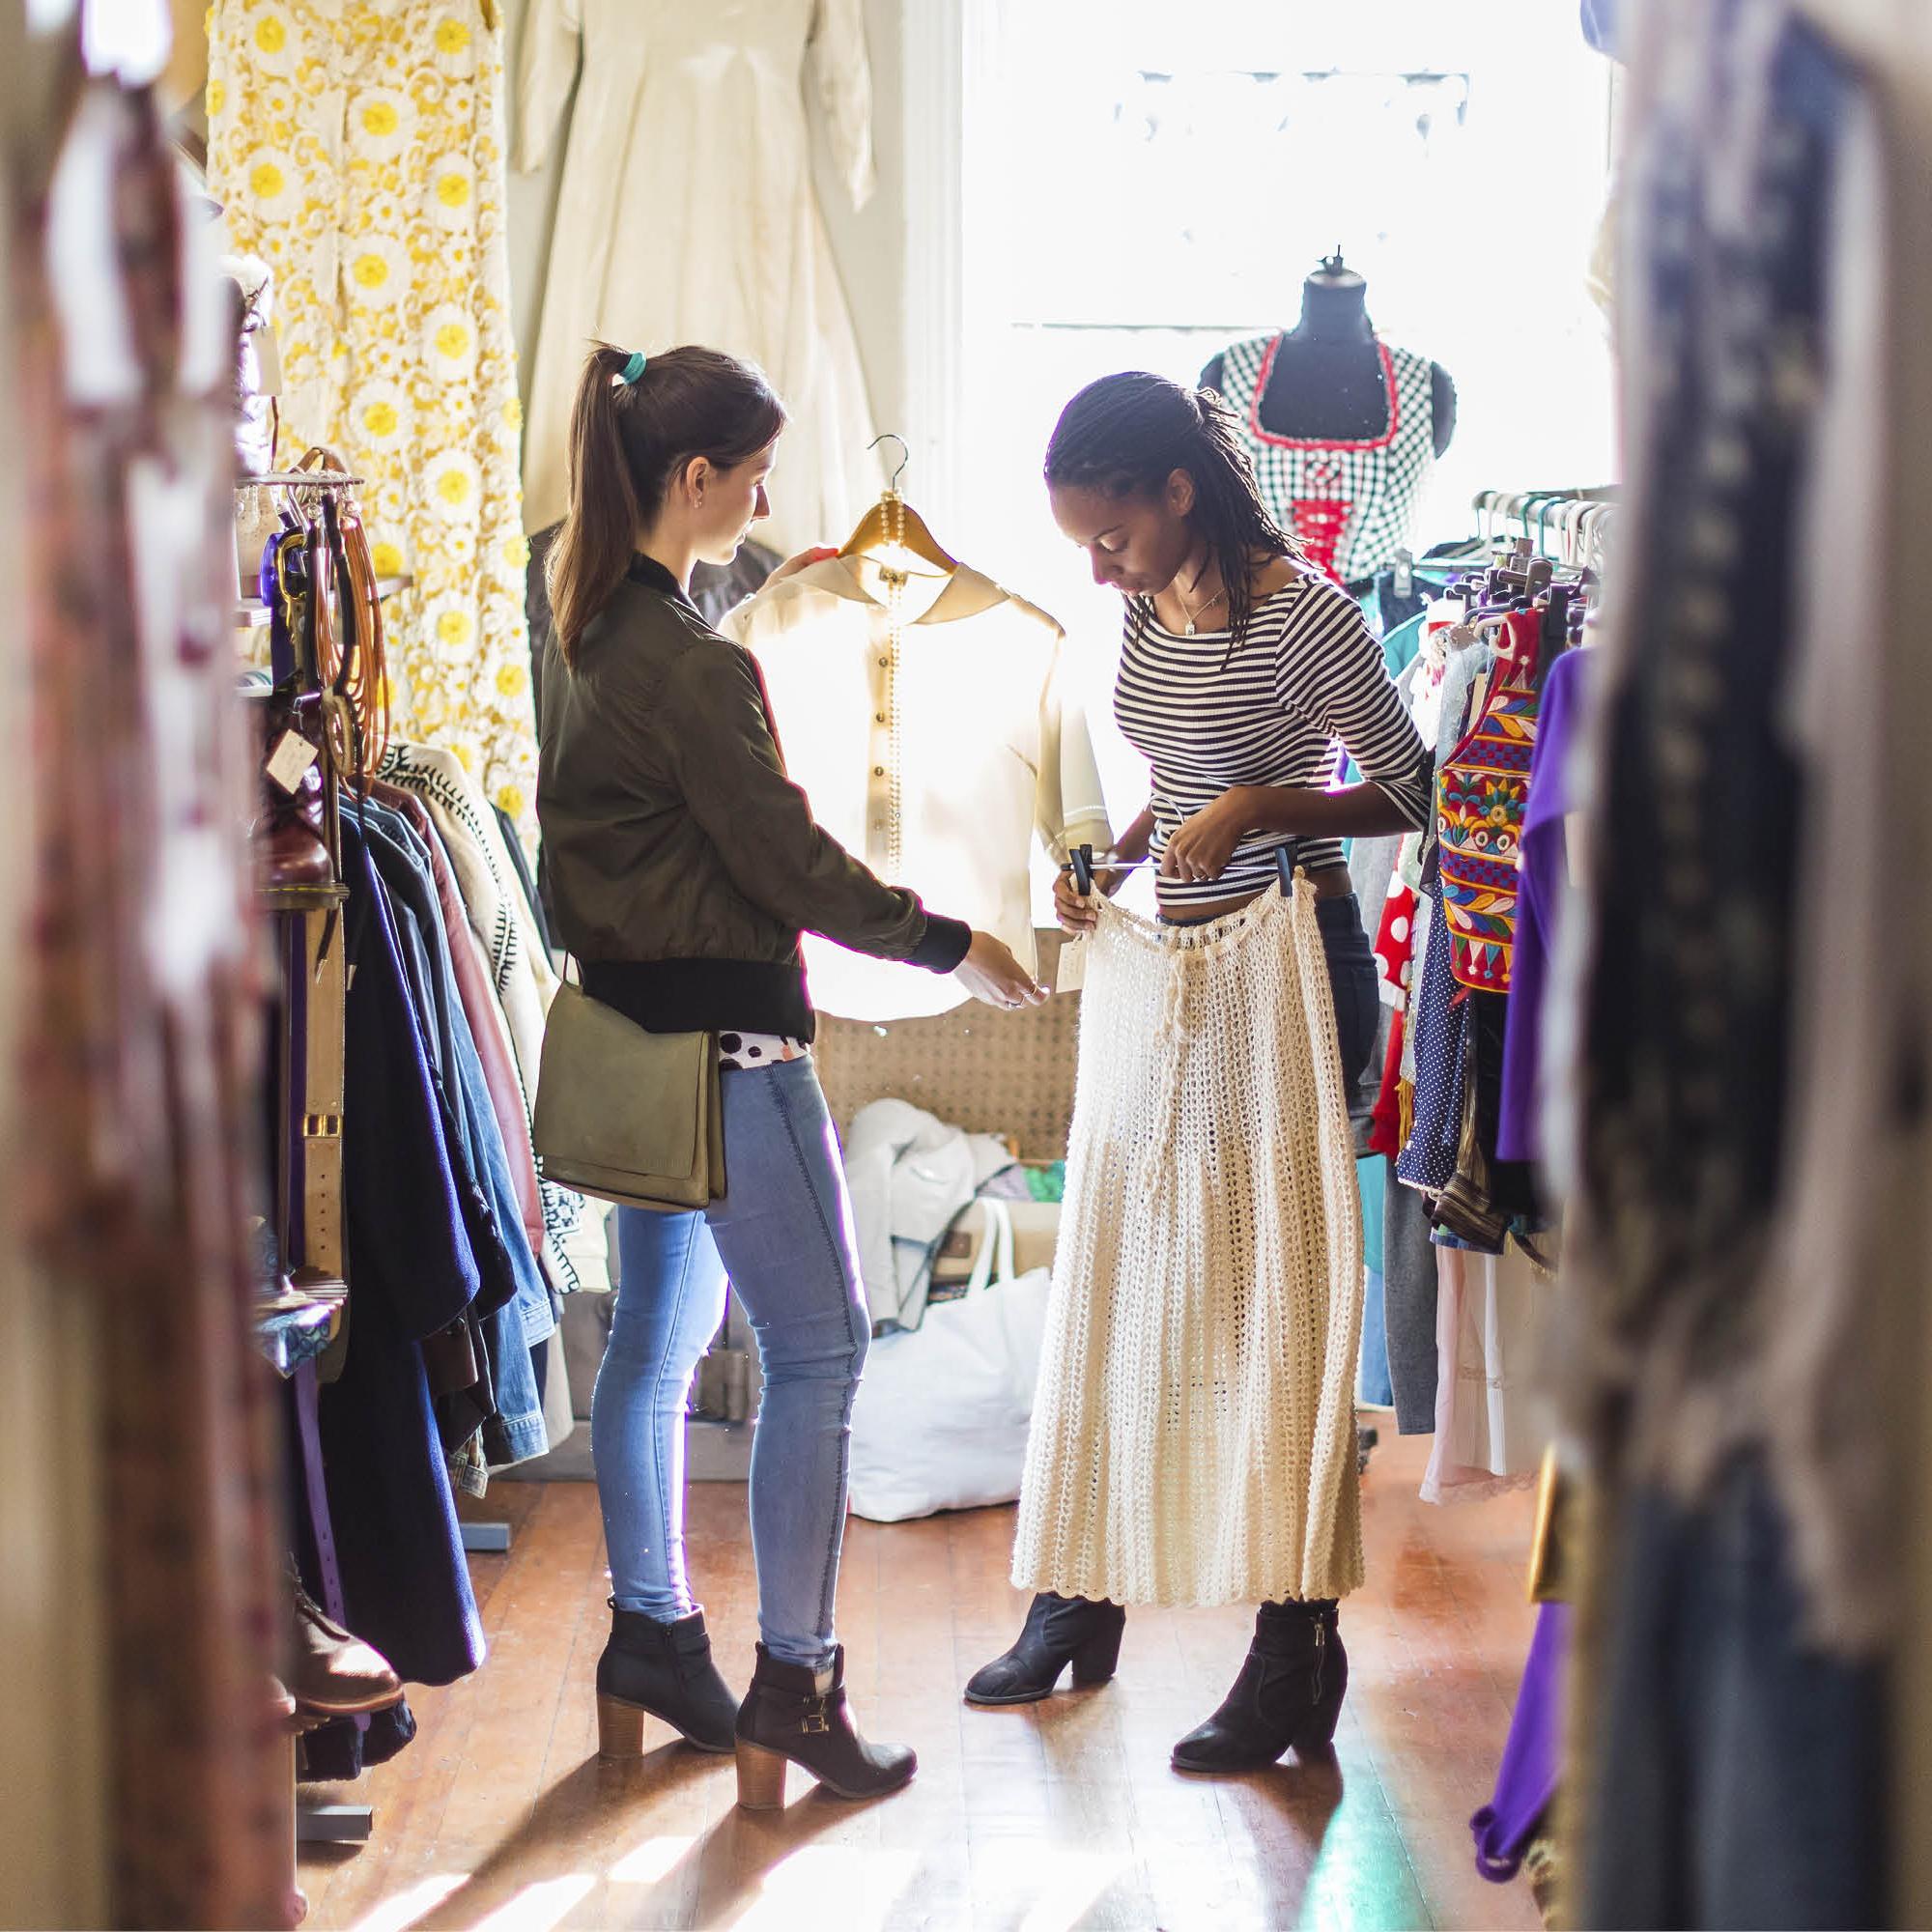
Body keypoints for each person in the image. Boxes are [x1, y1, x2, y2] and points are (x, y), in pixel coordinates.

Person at [537, 342, 1044, 1808]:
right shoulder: (697, 665)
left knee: (649, 1348)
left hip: (633, 1047)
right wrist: (951, 940)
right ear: (695, 480)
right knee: (820, 1356)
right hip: (734, 1056)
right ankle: (796, 1688)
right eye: (754, 474)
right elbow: (788, 863)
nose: (767, 496)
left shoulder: (574, 620)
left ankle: (653, 1638)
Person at [964, 370, 1432, 1770]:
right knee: (1124, 1275)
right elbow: (1177, 767)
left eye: (1111, 537)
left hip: (1297, 963)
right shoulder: (1143, 611)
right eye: (1083, 549)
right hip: (1173, 971)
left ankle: (1296, 1653)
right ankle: (1082, 1592)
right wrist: (1115, 856)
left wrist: (1264, 805)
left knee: (1270, 1314)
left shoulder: (1306, 617)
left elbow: (1412, 784)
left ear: (1177, 491)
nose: (1100, 569)